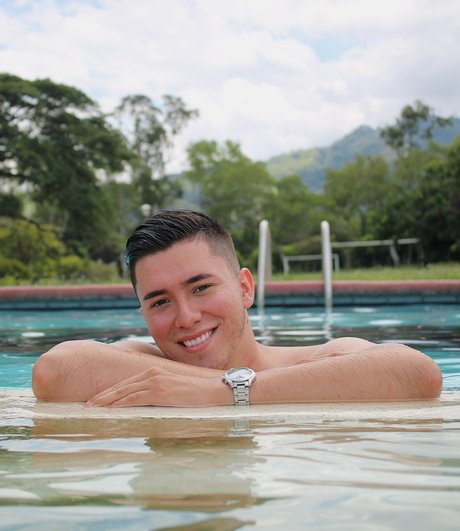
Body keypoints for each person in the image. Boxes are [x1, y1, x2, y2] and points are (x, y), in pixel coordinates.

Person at [32, 210, 442, 407]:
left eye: (201, 287)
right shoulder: (148, 365)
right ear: (143, 313)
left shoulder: (317, 358)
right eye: (160, 301)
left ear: (245, 287)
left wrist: (222, 391)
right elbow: (57, 369)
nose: (186, 317)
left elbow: (417, 373)